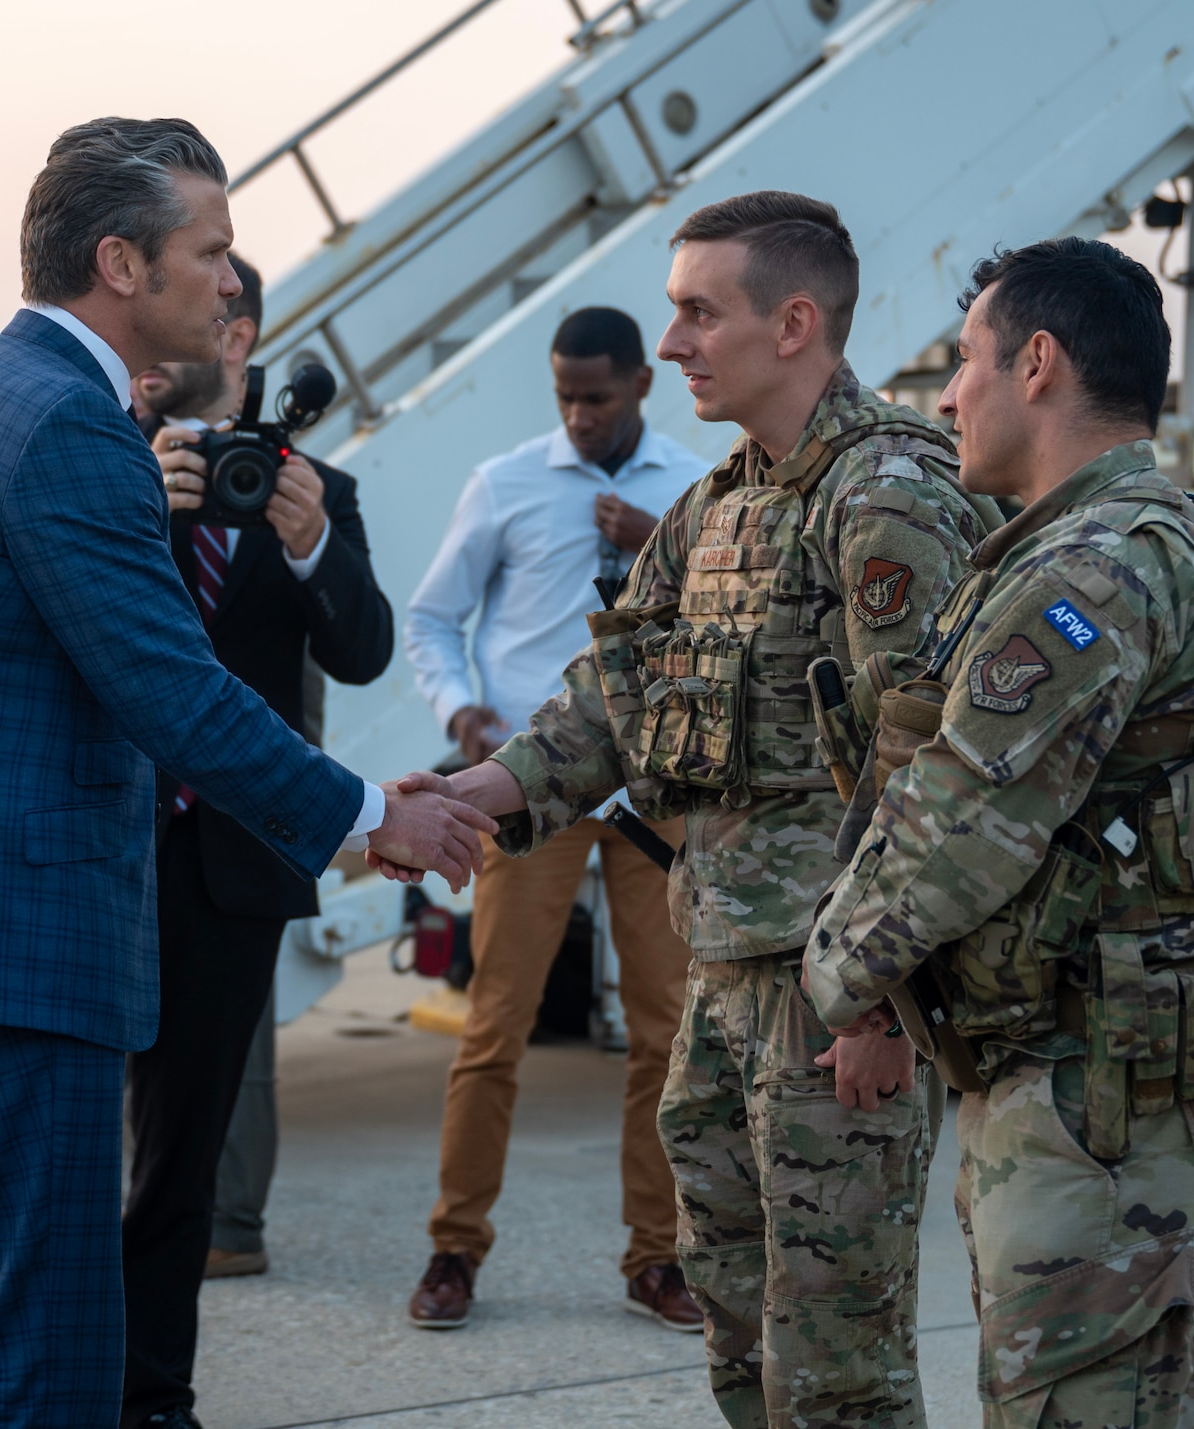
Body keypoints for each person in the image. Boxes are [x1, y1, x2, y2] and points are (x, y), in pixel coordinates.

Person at [0, 117, 493, 1428]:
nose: (233, 283)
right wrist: (372, 816)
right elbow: (171, 691)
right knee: (43, 1356)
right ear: (121, 262)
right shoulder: (69, 430)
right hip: (7, 946)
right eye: (209, 251)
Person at [381, 191, 997, 1428]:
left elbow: (942, 766)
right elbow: (605, 697)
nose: (670, 346)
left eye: (696, 312)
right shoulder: (718, 506)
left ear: (794, 324)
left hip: (833, 1007)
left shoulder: (887, 497)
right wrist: (472, 794)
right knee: (735, 1328)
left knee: (837, 1358)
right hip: (721, 979)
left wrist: (883, 999)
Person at [805, 235, 1194, 1429]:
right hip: (1138, 1062)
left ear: (1036, 364)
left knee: (1067, 1406)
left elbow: (963, 819)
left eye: (966, 359)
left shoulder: (1084, 572)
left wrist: (831, 977)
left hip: (1090, 1084)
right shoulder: (1181, 538)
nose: (945, 395)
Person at [120, 254, 394, 1429]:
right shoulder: (122, 463)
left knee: (184, 1157)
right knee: (64, 1146)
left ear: (247, 336)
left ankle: (155, 1396)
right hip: (108, 845)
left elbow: (366, 650)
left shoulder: (317, 483)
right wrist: (146, 495)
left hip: (229, 864)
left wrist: (308, 544)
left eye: (223, 315)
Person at [398, 307, 708, 1331]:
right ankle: (453, 1249)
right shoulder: (506, 482)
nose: (579, 416)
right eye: (565, 397)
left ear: (640, 388)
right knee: (495, 1025)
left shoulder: (697, 488)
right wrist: (459, 712)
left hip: (650, 794)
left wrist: (660, 539)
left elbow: (733, 627)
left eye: (598, 397)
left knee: (665, 1037)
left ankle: (656, 1259)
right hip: (530, 785)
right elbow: (432, 615)